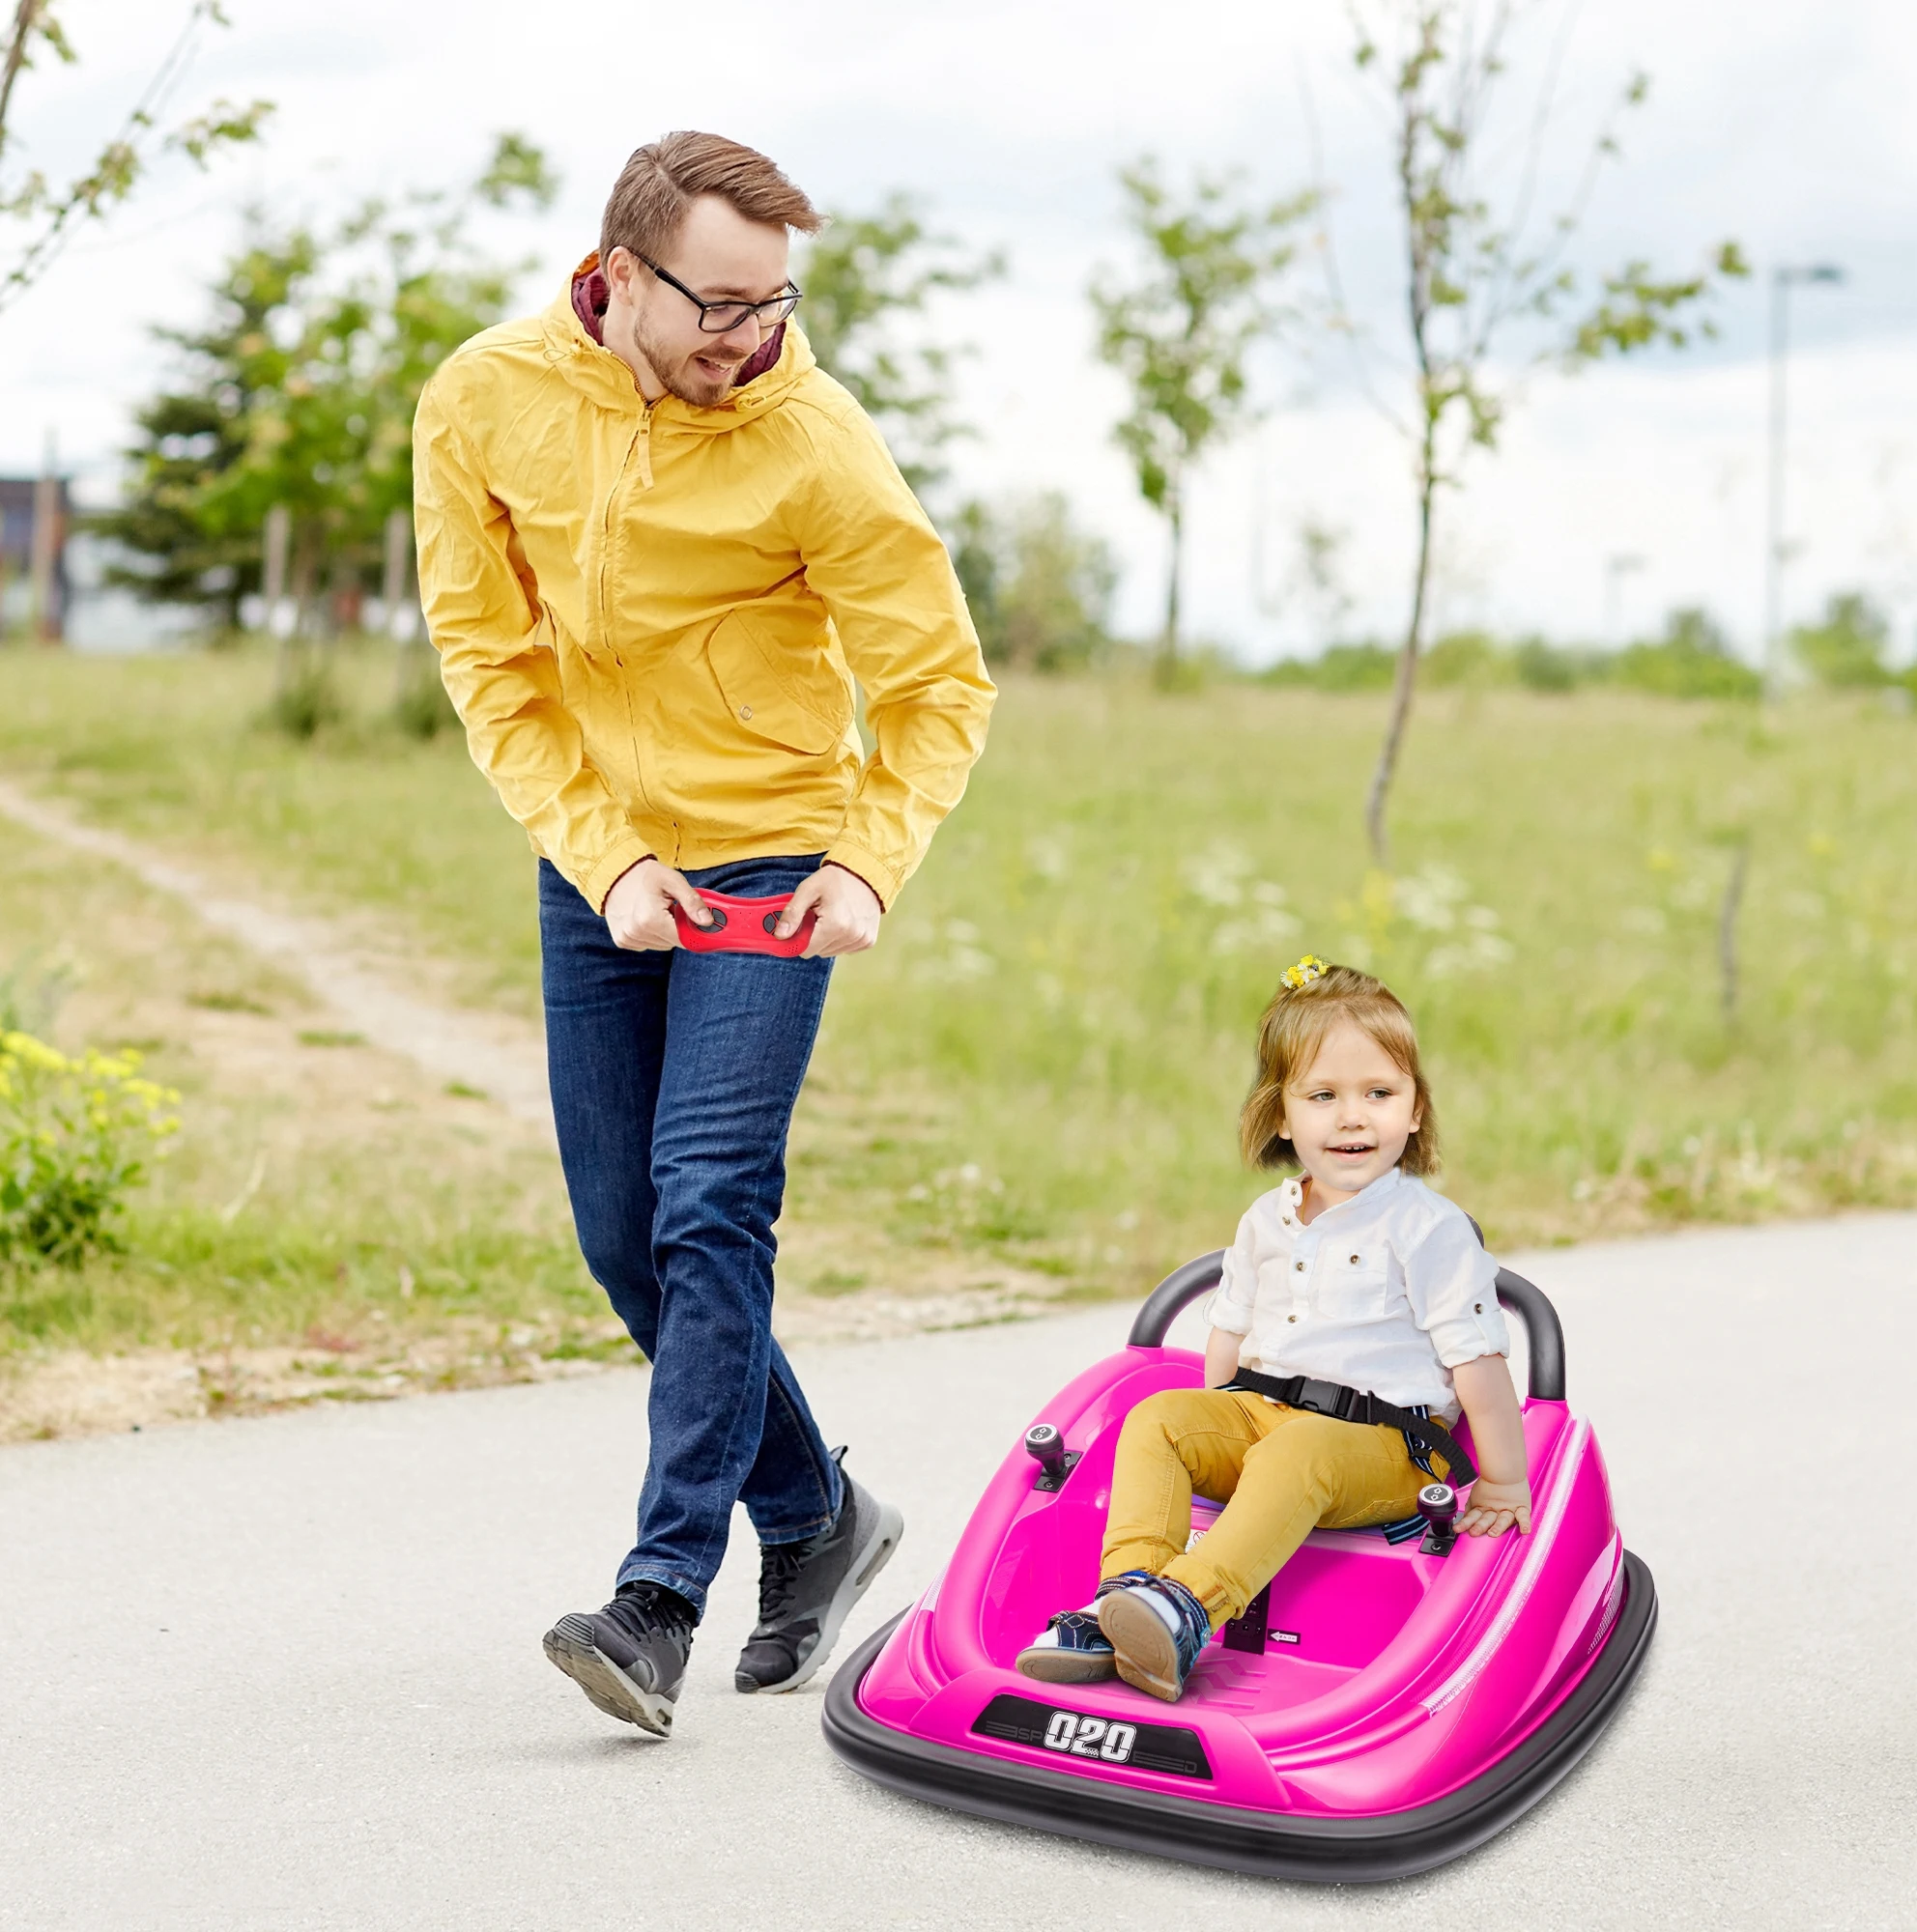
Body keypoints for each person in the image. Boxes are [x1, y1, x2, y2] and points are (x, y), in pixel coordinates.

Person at [412, 131, 994, 1738]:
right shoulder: (483, 398)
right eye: (720, 303)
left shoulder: (816, 442)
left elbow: (941, 684)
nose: (755, 335)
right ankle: (817, 1516)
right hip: (601, 860)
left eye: (775, 301)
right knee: (622, 1236)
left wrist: (870, 862)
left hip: (774, 863)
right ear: (619, 272)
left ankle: (658, 1602)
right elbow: (491, 663)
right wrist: (603, 864)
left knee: (709, 1203)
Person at [1016, 957, 1532, 1703]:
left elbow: (1477, 1361)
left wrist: (1504, 1477)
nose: (1353, 1117)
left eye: (1379, 1094)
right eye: (1323, 1096)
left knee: (1300, 1446)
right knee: (1161, 1417)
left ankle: (1188, 1606)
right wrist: (1216, 1430)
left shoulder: (1430, 1230)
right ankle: (1122, 1602)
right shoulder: (1267, 1219)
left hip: (1389, 1447)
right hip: (1267, 1418)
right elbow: (1228, 1338)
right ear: (1283, 1116)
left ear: (1415, 1110)